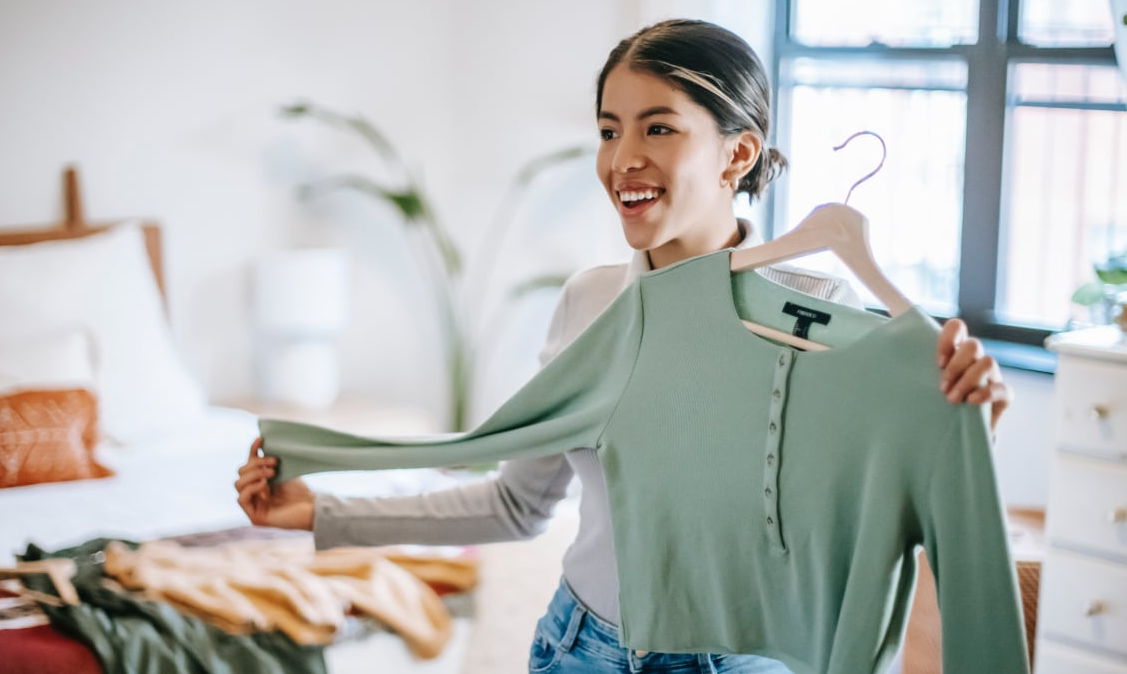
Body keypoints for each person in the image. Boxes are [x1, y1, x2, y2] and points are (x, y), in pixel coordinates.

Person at [236, 19, 1011, 674]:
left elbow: (894, 507)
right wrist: (322, 511)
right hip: (583, 648)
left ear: (737, 155)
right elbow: (515, 503)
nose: (621, 159)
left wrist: (965, 415)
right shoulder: (591, 303)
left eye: (658, 127)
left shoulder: (831, 320)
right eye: (609, 130)